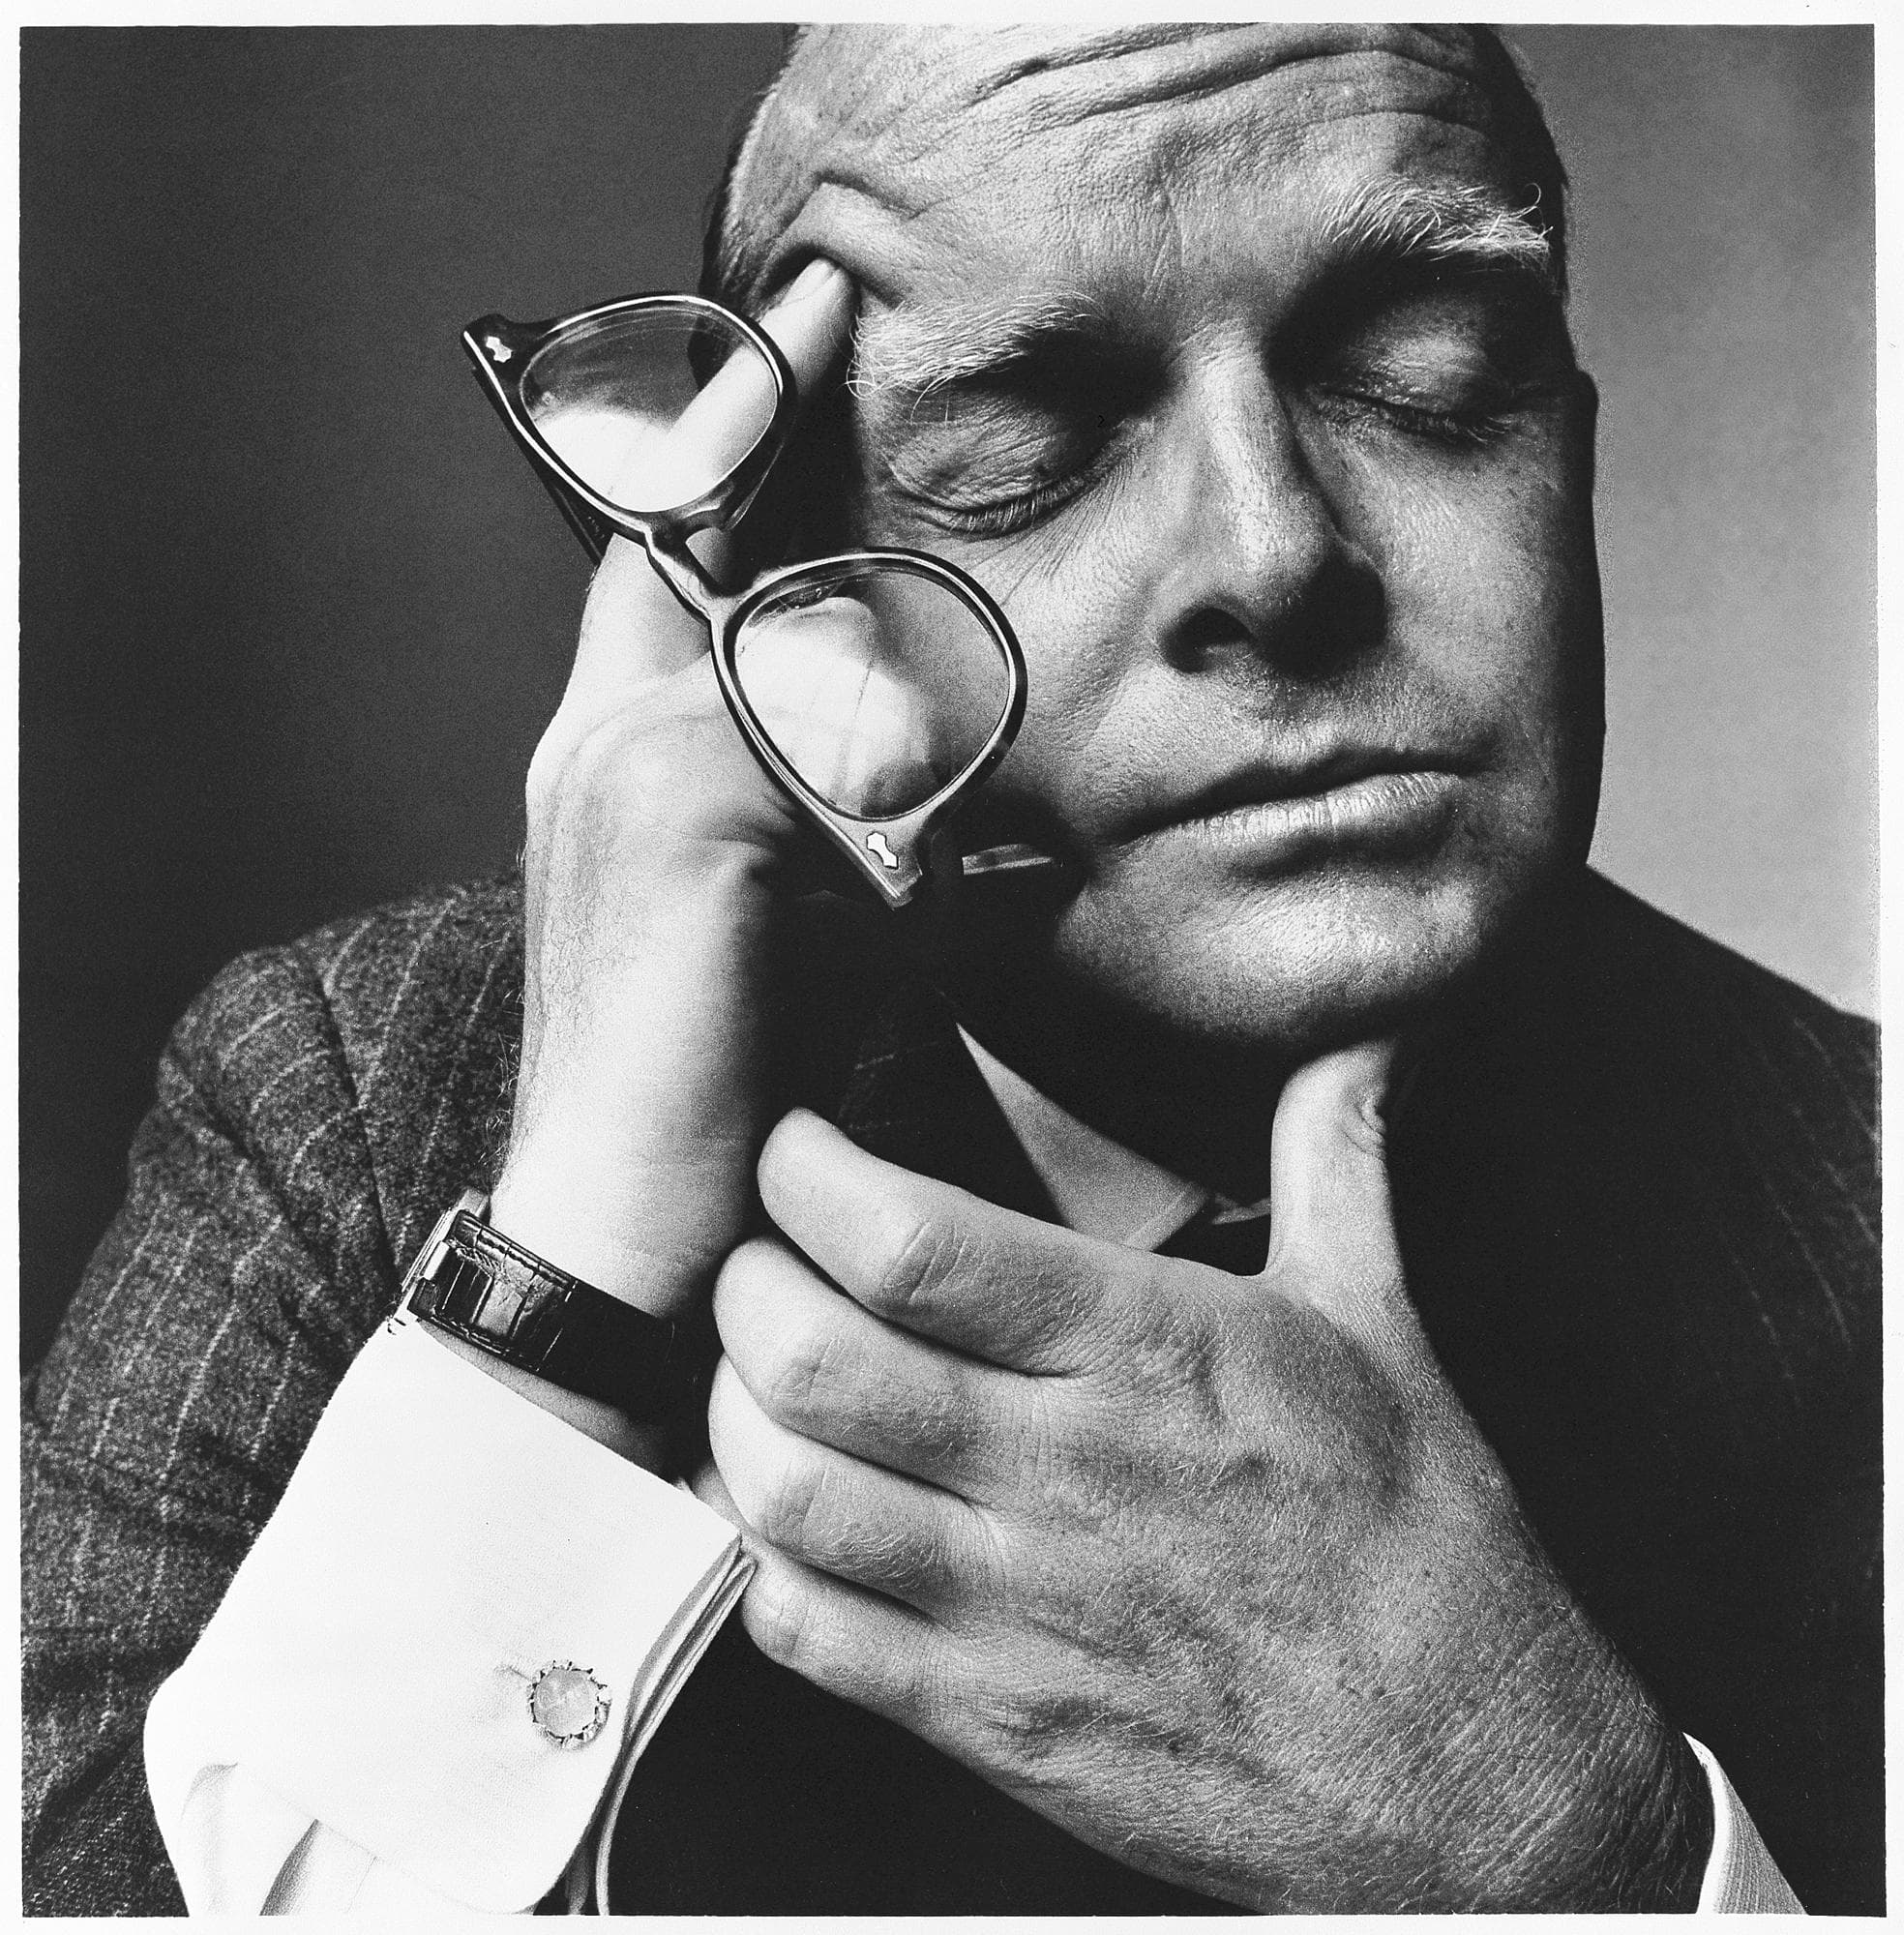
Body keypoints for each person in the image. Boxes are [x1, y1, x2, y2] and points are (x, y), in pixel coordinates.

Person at [20, 22, 1878, 1917]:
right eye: (1026, 451)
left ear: (1570, 439)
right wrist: (568, 1296)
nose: (1275, 555)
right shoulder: (344, 1108)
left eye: (1432, 377)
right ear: (780, 583)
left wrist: (1563, 1845)